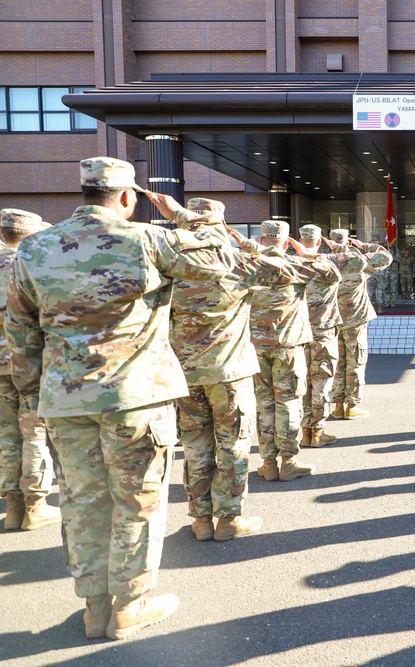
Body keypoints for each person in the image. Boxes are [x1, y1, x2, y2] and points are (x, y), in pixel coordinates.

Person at [5, 156, 273, 640]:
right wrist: (184, 215)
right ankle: (131, 603)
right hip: (136, 397)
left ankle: (94, 607)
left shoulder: (34, 249)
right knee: (138, 500)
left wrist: (36, 393)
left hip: (66, 401)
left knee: (82, 502)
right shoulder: (147, 239)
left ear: (82, 193)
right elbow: (222, 258)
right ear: (128, 197)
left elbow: (20, 331)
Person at [171, 199, 301, 541]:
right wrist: (251, 245)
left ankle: (200, 520)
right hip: (229, 372)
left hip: (184, 374)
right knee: (232, 446)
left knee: (195, 446)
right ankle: (228, 519)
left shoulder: (167, 264)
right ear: (219, 225)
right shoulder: (236, 262)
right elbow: (284, 269)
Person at [233, 221, 342, 482]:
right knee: (289, 403)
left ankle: (268, 463)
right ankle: (288, 462)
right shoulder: (294, 264)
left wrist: (254, 250)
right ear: (285, 242)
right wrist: (307, 253)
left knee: (264, 404)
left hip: (256, 347)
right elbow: (332, 274)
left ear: (260, 238)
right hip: (288, 347)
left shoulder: (246, 264)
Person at [0, 208, 58, 531]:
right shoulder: (33, 265)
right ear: (31, 235)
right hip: (28, 361)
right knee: (33, 430)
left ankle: (13, 509)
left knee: (6, 433)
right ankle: (36, 505)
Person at [326, 229, 392, 419]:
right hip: (355, 320)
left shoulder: (325, 263)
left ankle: (337, 406)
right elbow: (385, 257)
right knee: (356, 361)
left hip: (334, 321)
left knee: (338, 362)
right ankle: (352, 406)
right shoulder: (358, 263)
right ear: (347, 243)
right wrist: (363, 246)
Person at [295, 224, 344, 448]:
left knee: (303, 382)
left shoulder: (289, 263)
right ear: (319, 241)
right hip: (323, 332)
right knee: (322, 381)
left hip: (298, 333)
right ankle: (317, 431)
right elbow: (373, 259)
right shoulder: (330, 263)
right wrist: (339, 247)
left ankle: (305, 431)